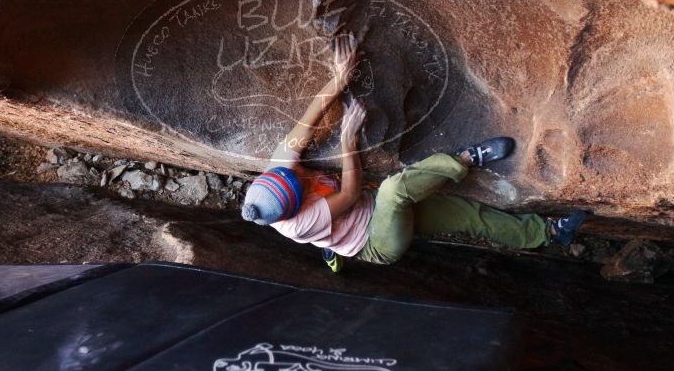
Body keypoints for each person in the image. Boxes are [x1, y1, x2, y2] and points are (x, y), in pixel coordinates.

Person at [241, 33, 586, 272]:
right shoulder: (299, 223)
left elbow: (307, 120)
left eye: (292, 173)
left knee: (470, 217)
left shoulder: (279, 170)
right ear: (295, 206)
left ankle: (551, 232)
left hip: (366, 209)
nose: (299, 174)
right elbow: (349, 192)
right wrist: (348, 142)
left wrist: (339, 77)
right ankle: (465, 160)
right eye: (301, 185)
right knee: (394, 191)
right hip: (375, 240)